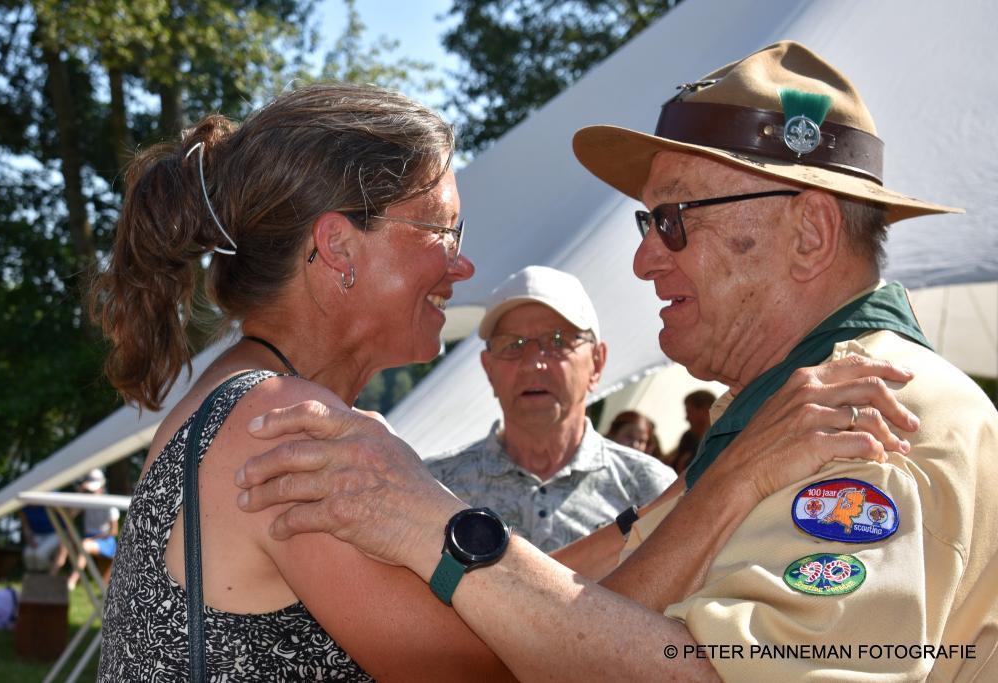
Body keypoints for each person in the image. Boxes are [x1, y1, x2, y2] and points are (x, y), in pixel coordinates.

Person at [234, 41, 998, 681]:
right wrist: (714, 489)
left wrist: (437, 528)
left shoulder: (869, 418)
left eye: (673, 219)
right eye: (647, 222)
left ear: (810, 233)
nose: (642, 260)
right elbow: (611, 620)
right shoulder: (786, 416)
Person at [90, 82, 515, 680]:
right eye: (443, 231)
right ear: (338, 246)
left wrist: (630, 533)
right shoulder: (280, 428)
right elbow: (497, 668)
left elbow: (511, 619)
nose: (461, 264)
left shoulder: (244, 404)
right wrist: (659, 536)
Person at [428, 266, 675, 551]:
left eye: (558, 341)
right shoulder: (434, 489)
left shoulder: (649, 490)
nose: (533, 363)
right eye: (512, 345)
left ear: (597, 363)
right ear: (488, 368)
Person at [63, 468, 120, 590]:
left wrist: (94, 538)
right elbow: (70, 515)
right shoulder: (86, 501)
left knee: (84, 545)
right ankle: (54, 575)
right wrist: (80, 495)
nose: (92, 492)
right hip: (89, 539)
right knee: (65, 542)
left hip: (105, 541)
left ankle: (72, 580)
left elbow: (113, 532)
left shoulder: (110, 504)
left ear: (102, 487)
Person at [671, 389, 714, 473]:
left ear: (705, 410)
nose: (686, 418)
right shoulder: (688, 438)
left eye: (689, 412)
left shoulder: (716, 441)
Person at [19, 505, 60, 573]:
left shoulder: (49, 505)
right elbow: (26, 526)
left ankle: (46, 573)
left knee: (40, 554)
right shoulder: (25, 508)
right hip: (36, 534)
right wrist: (30, 540)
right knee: (27, 554)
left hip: (54, 534)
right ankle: (34, 574)